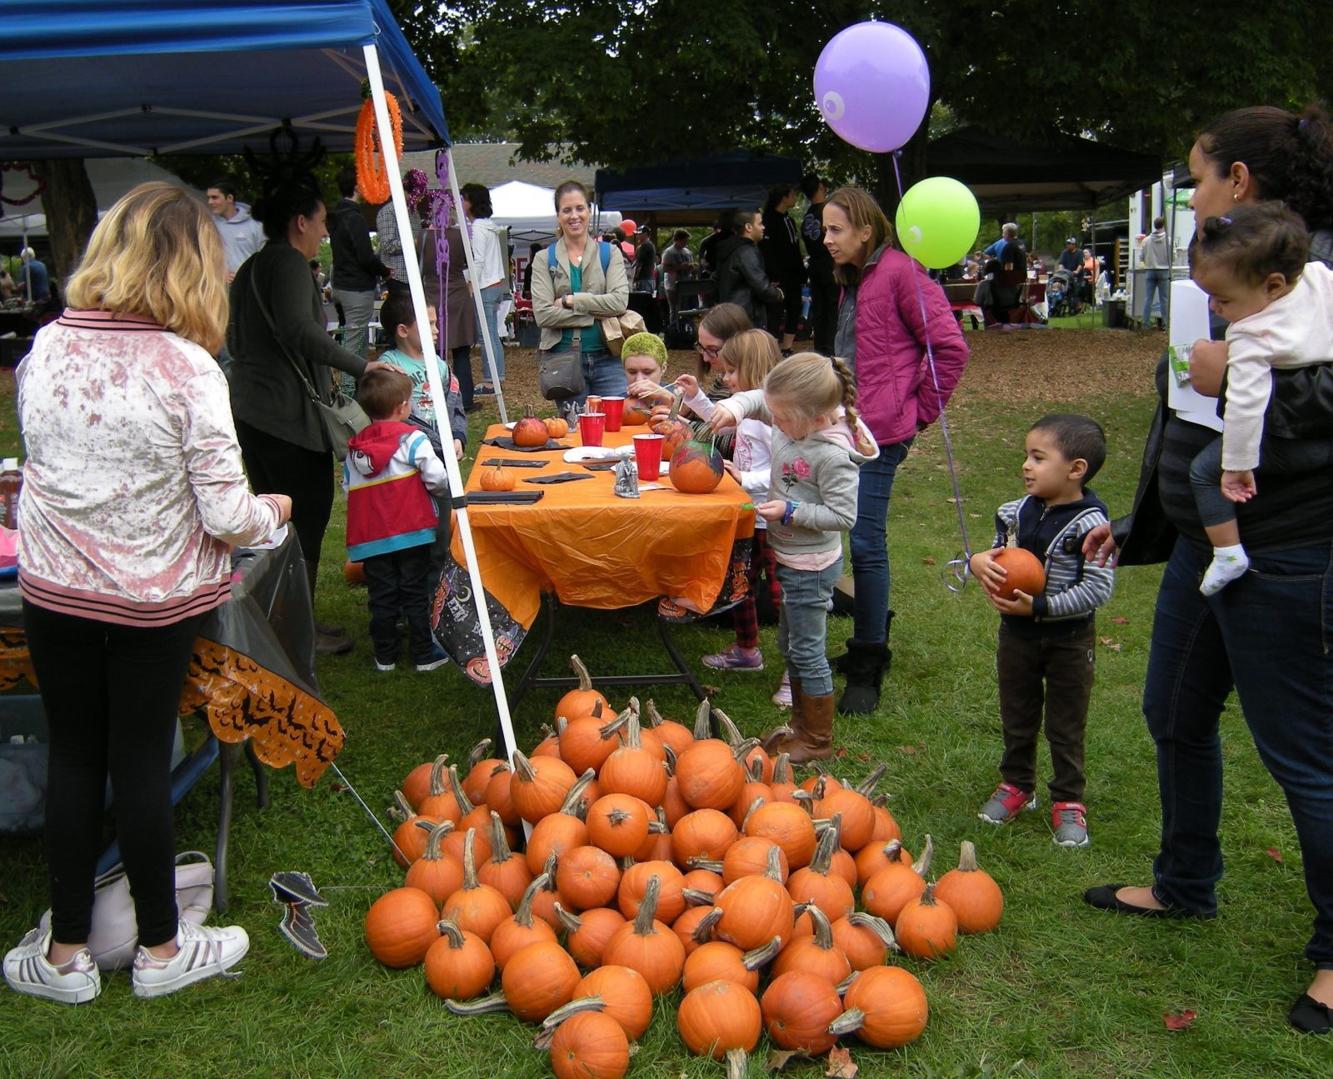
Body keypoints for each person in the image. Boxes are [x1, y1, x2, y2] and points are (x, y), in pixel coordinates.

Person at [2, 182, 291, 1004]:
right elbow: (227, 514)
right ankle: (162, 948)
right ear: (192, 267)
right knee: (137, 758)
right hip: (150, 600)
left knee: (73, 753)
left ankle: (65, 954)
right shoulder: (187, 367)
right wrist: (276, 510)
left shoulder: (45, 347)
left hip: (54, 590)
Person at [1080, 102, 1333, 1035]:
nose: (1189, 195)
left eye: (1195, 178)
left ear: (1240, 181)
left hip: (1286, 550)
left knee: (1302, 754)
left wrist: (1234, 373)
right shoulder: (1219, 272)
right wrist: (1144, 524)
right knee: (1174, 712)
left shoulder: (1314, 272)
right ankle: (1185, 880)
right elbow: (1186, 420)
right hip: (1204, 540)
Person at [824, 185, 969, 714]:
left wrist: (918, 413)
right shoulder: (855, 278)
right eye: (824, 228)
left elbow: (950, 349)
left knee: (866, 542)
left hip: (881, 434)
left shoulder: (902, 273)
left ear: (866, 230)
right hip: (849, 426)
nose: (827, 239)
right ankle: (868, 632)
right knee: (847, 535)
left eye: (836, 229)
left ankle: (869, 662)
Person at [227, 163, 376, 656]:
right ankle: (298, 628)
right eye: (321, 222)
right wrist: (360, 366)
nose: (324, 232)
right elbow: (299, 330)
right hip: (286, 418)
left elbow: (237, 338)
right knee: (305, 518)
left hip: (252, 413)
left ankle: (281, 620)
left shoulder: (251, 267)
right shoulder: (289, 264)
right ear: (300, 222)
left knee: (272, 520)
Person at [710, 353, 878, 761]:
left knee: (806, 651)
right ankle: (800, 725)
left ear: (814, 417)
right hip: (790, 558)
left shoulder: (833, 456)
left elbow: (844, 516)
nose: (775, 423)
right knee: (789, 642)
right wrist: (735, 407)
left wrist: (790, 511)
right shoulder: (795, 418)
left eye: (781, 418)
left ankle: (816, 739)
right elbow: (760, 400)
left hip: (811, 567)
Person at [968, 415, 1113, 849]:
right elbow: (1001, 558)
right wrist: (978, 561)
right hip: (1017, 636)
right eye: (1026, 456)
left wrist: (1041, 606)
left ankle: (1068, 799)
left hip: (1069, 641)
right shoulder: (1013, 512)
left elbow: (1098, 589)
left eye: (1038, 457)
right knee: (1017, 713)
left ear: (1075, 469)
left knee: (1066, 723)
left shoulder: (1093, 525)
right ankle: (1017, 785)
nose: (1026, 466)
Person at [1184, 204, 1333, 595]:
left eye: (1222, 299)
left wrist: (1237, 465)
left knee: (1203, 471)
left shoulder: (1251, 334)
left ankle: (1228, 553)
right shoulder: (1319, 276)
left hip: (1301, 444)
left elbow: (1245, 405)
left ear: (1273, 286)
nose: (1215, 308)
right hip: (1322, 436)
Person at [675, 330, 784, 678]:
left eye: (732, 371)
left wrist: (745, 479)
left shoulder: (775, 417)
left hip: (773, 519)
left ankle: (796, 670)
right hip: (745, 513)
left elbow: (786, 472)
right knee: (740, 584)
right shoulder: (745, 405)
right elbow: (721, 423)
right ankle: (746, 650)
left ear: (754, 367)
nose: (725, 377)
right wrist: (696, 398)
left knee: (783, 595)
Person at [345, 368, 451, 673]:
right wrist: (435, 492)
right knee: (415, 592)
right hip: (411, 531)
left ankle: (385, 655)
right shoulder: (413, 439)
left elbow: (348, 488)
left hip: (371, 537)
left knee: (382, 595)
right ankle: (423, 654)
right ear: (403, 406)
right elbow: (437, 477)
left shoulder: (355, 448)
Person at [530, 179, 631, 406]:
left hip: (609, 357)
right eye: (567, 210)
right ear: (558, 216)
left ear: (589, 211)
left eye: (579, 208)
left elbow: (618, 303)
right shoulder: (544, 259)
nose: (574, 216)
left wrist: (570, 300)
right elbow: (543, 315)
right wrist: (595, 313)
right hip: (563, 360)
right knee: (573, 425)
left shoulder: (610, 253)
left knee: (615, 423)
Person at [375, 291, 466, 461]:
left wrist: (458, 437)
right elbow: (384, 415)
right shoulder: (390, 365)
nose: (436, 330)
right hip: (407, 454)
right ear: (403, 331)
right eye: (429, 324)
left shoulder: (439, 365)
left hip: (442, 451)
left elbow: (455, 406)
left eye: (435, 323)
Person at [328, 165, 391, 386]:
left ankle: (357, 388)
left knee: (356, 338)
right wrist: (385, 271)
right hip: (356, 287)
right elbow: (365, 256)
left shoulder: (336, 216)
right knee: (354, 342)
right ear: (356, 186)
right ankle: (347, 392)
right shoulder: (354, 218)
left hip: (341, 285)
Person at [461, 182, 507, 393]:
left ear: (471, 202)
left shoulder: (478, 228)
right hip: (494, 283)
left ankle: (491, 380)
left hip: (485, 286)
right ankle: (497, 376)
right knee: (492, 335)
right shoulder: (488, 226)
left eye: (464, 199)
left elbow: (478, 261)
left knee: (486, 336)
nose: (461, 203)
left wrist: (471, 284)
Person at [715, 209, 783, 330]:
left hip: (730, 315)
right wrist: (778, 294)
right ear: (748, 227)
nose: (763, 227)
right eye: (760, 223)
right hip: (747, 318)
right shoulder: (746, 252)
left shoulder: (729, 250)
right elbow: (762, 287)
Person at [761, 183, 805, 353]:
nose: (795, 198)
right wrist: (774, 274)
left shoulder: (790, 220)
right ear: (784, 197)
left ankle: (787, 348)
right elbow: (766, 250)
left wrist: (801, 270)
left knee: (795, 308)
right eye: (793, 195)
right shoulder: (768, 221)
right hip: (777, 276)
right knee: (775, 312)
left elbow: (795, 247)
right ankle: (770, 350)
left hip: (793, 275)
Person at [801, 174, 838, 355]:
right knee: (832, 309)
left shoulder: (807, 216)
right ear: (821, 187)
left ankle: (820, 349)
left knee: (819, 309)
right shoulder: (828, 211)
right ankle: (831, 349)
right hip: (830, 265)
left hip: (814, 265)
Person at [206, 179, 266, 282]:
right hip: (214, 285)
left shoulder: (256, 226)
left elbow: (264, 259)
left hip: (246, 285)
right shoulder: (207, 224)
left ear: (229, 198)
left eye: (214, 197)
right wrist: (216, 273)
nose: (210, 202)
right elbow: (201, 255)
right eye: (209, 198)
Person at [375, 170, 425, 292]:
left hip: (415, 275)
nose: (419, 199)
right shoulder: (388, 212)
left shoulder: (414, 212)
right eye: (417, 195)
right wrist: (413, 243)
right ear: (407, 190)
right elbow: (387, 245)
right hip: (397, 277)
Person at [1138, 216, 1172, 329]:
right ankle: (1165, 324)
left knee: (1148, 298)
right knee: (1164, 299)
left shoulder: (1146, 240)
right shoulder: (1168, 240)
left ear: (1154, 225)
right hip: (1164, 271)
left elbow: (1141, 257)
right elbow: (1173, 256)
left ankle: (1145, 324)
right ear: (1163, 225)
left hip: (1150, 270)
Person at [661, 230, 694, 324]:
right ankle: (674, 327)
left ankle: (684, 326)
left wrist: (692, 267)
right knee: (674, 308)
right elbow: (665, 268)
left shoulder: (688, 252)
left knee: (685, 308)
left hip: (685, 283)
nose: (686, 243)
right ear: (678, 239)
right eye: (684, 240)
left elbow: (691, 265)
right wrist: (680, 267)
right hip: (672, 285)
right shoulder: (669, 252)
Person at [632, 231, 657, 296]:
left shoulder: (645, 245)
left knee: (643, 299)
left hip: (644, 279)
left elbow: (640, 263)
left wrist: (635, 277)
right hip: (648, 278)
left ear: (645, 234)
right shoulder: (650, 244)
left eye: (639, 234)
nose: (637, 236)